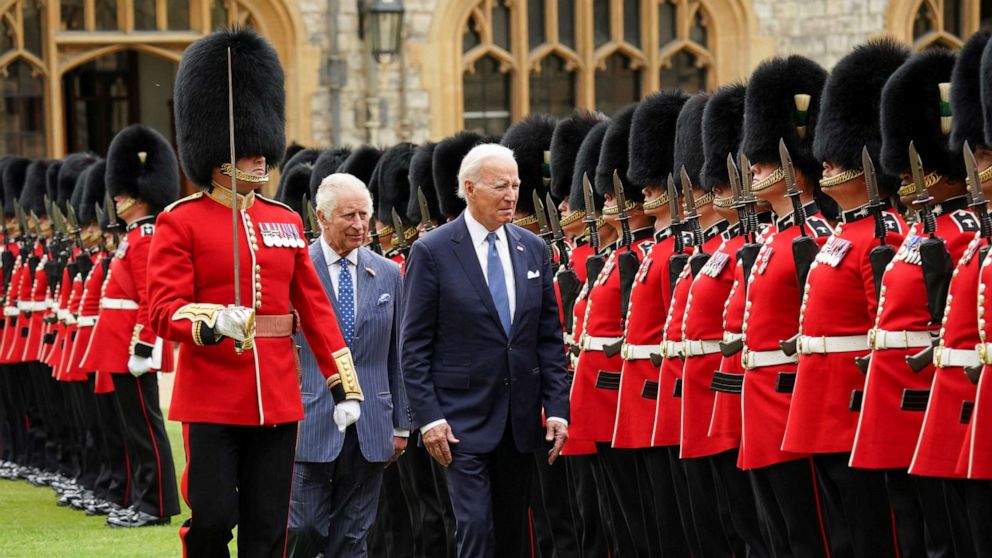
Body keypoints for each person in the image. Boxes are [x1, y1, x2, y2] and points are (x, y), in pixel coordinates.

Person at [146, 28, 363, 557]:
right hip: (213, 396)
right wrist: (212, 321)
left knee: (270, 527)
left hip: (279, 398)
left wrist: (344, 385)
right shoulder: (181, 222)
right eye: (249, 153)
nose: (262, 161)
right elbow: (162, 311)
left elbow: (314, 310)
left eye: (263, 151)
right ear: (220, 153)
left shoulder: (284, 220)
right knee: (215, 518)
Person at [401, 142, 570, 558]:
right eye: (500, 186)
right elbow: (414, 345)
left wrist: (559, 408)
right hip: (459, 421)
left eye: (515, 185)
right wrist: (430, 418)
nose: (512, 195)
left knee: (514, 531)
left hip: (519, 419)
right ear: (470, 188)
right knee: (475, 528)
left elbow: (547, 338)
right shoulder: (433, 251)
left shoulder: (531, 249)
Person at [782, 39, 909, 557]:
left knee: (874, 530)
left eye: (839, 157)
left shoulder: (886, 234)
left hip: (856, 405)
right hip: (822, 403)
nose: (827, 163)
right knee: (843, 530)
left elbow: (888, 330)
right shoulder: (841, 235)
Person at [287, 173, 410, 557]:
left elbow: (398, 353)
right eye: (348, 216)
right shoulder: (295, 268)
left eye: (364, 215)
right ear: (321, 218)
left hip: (372, 424)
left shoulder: (388, 272)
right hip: (310, 420)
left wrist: (402, 423)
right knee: (303, 530)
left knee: (353, 538)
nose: (360, 225)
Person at [79, 124, 181, 528]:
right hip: (119, 344)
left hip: (132, 348)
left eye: (122, 192)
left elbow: (150, 300)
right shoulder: (134, 236)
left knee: (144, 428)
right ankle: (143, 498)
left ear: (140, 195)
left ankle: (154, 504)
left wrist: (143, 348)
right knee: (133, 428)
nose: (115, 198)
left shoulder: (146, 239)